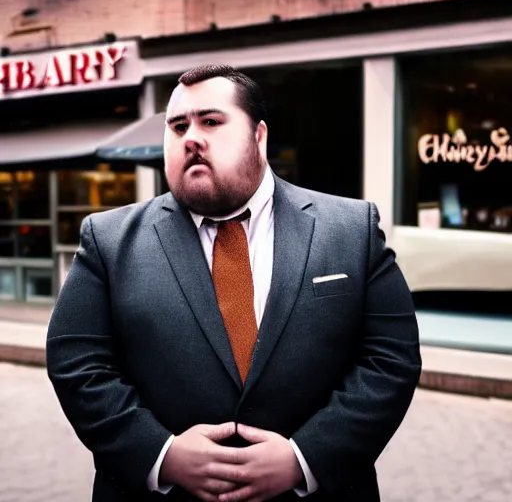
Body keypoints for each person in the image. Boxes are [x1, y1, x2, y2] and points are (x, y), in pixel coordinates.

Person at [46, 64, 422, 502]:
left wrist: (306, 458)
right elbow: (77, 362)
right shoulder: (108, 240)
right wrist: (160, 454)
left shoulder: (352, 228)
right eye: (178, 126)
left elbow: (391, 360)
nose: (191, 137)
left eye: (211, 121)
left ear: (258, 137)